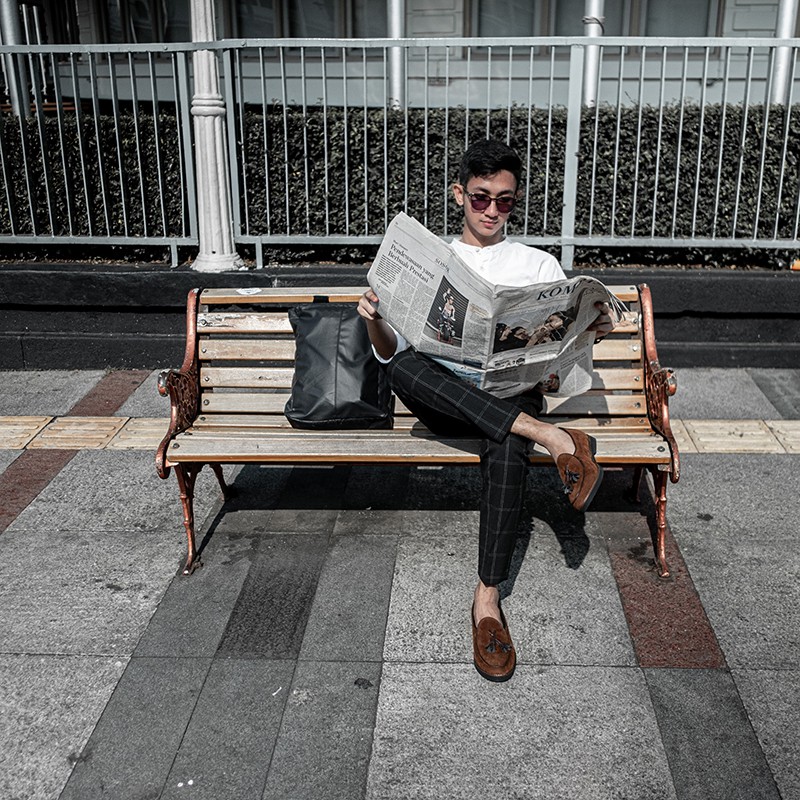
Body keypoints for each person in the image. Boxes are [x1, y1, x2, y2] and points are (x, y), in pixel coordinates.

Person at [357, 139, 615, 682]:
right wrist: (374, 318)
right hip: (446, 396)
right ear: (459, 196)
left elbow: (558, 366)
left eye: (505, 201)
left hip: (510, 393)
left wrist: (582, 333)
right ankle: (554, 437)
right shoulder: (435, 260)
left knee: (505, 445)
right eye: (481, 199)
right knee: (402, 367)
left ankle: (487, 602)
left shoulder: (537, 263)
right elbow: (388, 349)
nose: (492, 211)